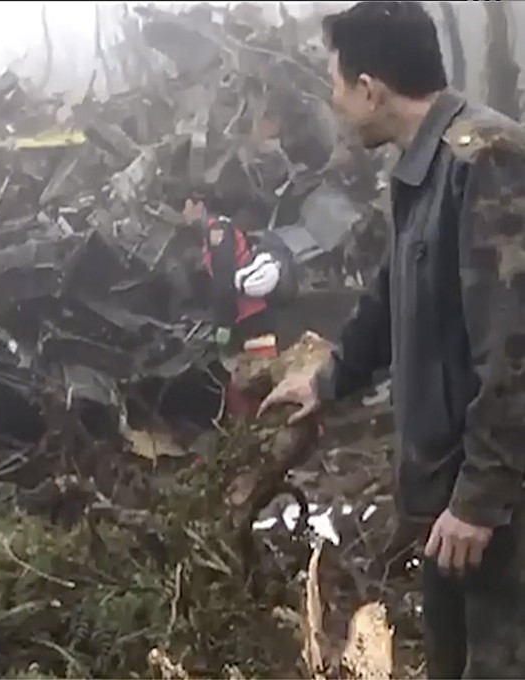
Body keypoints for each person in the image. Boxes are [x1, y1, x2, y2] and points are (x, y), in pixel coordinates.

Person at [258, 2, 525, 677]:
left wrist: (481, 498)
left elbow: (516, 346)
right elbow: (389, 297)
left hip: (499, 519)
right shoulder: (421, 170)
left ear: (370, 87)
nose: (334, 100)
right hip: (448, 512)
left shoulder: (488, 162)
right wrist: (327, 380)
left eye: (336, 83)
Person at [184, 192, 281, 359]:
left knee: (261, 370)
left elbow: (224, 281)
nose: (183, 214)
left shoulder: (216, 230)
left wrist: (223, 324)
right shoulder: (214, 231)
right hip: (247, 314)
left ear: (198, 206)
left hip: (251, 314)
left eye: (185, 208)